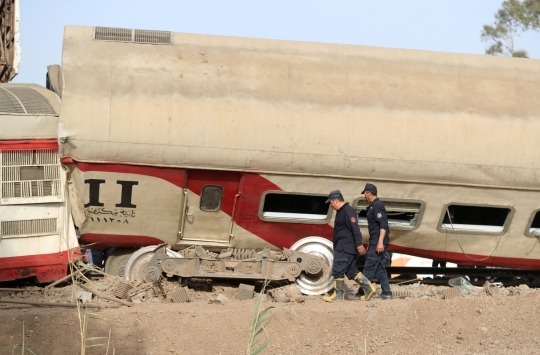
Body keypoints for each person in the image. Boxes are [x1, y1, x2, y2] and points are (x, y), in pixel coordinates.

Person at [323, 190, 368, 302]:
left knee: (338, 269)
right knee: (351, 271)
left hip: (345, 247)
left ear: (336, 201)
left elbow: (355, 229)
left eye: (331, 202)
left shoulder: (348, 211)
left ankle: (338, 295)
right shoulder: (342, 211)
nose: (330, 205)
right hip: (344, 246)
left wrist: (359, 244)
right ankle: (369, 288)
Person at [357, 183, 392, 300]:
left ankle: (363, 291)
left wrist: (380, 242)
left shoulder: (377, 206)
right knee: (379, 267)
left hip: (378, 241)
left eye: (365, 194)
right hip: (375, 241)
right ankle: (387, 292)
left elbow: (383, 225)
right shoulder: (374, 206)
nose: (365, 197)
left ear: (368, 193)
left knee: (369, 266)